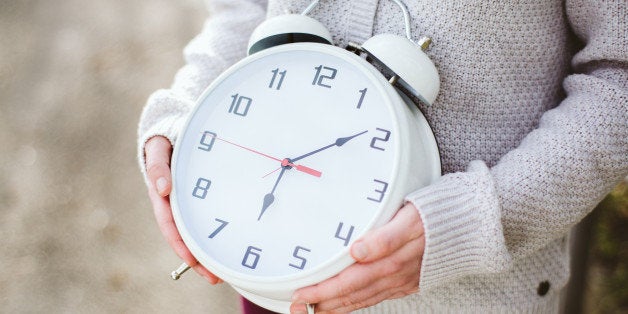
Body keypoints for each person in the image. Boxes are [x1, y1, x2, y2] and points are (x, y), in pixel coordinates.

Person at [138, 0, 627, 313]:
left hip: (467, 298)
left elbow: (619, 75)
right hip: (273, 273)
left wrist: (477, 220)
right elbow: (241, 10)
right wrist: (186, 118)